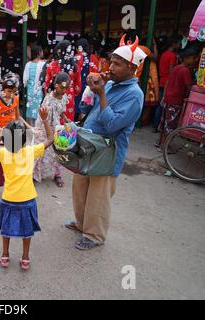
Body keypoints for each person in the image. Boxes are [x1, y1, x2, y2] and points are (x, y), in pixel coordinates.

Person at [64, 35, 147, 251]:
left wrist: (101, 93)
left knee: (98, 196)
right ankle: (82, 224)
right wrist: (90, 91)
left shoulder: (134, 95)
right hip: (88, 145)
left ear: (132, 67)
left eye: (117, 64)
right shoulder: (111, 84)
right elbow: (89, 111)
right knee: (80, 187)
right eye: (111, 62)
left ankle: (94, 235)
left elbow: (112, 125)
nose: (111, 67)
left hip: (107, 152)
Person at [0, 107, 54, 270]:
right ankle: (25, 257)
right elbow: (50, 139)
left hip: (8, 199)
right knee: (27, 232)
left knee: (6, 230)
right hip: (27, 199)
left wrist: (0, 133)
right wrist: (45, 119)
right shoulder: (30, 151)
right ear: (25, 139)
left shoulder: (2, 153)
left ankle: (5, 255)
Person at [0, 77, 31, 204]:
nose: (9, 94)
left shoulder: (15, 99)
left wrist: (29, 127)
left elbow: (18, 117)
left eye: (12, 91)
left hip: (14, 131)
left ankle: (11, 186)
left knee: (14, 159)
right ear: (3, 90)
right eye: (7, 91)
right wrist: (2, 131)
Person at [33, 72, 69, 186]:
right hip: (44, 128)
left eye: (67, 88)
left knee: (59, 151)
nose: (64, 90)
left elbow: (61, 110)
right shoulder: (48, 100)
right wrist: (47, 132)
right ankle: (34, 175)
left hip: (57, 128)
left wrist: (65, 118)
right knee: (40, 151)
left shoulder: (64, 97)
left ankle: (57, 175)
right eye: (62, 87)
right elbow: (44, 117)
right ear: (56, 85)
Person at [157, 48, 197, 148]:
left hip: (168, 98)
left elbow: (168, 82)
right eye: (193, 58)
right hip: (176, 100)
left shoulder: (176, 67)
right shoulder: (185, 71)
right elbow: (188, 87)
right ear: (187, 58)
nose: (194, 60)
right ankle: (165, 146)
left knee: (164, 122)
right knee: (170, 123)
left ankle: (160, 142)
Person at [44, 40, 81, 122]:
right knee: (67, 125)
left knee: (53, 123)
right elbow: (78, 89)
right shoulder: (75, 67)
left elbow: (47, 86)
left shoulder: (52, 65)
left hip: (54, 97)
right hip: (69, 99)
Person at [154, 35, 182, 132]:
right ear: (174, 44)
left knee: (160, 105)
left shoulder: (164, 54)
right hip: (167, 82)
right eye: (179, 43)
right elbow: (171, 71)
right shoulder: (172, 56)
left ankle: (155, 126)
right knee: (165, 106)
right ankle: (160, 127)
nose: (180, 45)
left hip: (161, 81)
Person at [74, 38, 99, 120]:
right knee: (86, 108)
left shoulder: (76, 57)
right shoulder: (94, 58)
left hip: (77, 87)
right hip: (89, 88)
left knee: (75, 109)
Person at [23, 45, 45, 126]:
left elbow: (25, 79)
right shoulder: (43, 64)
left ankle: (31, 128)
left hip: (30, 91)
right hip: (39, 90)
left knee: (30, 111)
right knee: (39, 111)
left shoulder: (28, 64)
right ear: (39, 53)